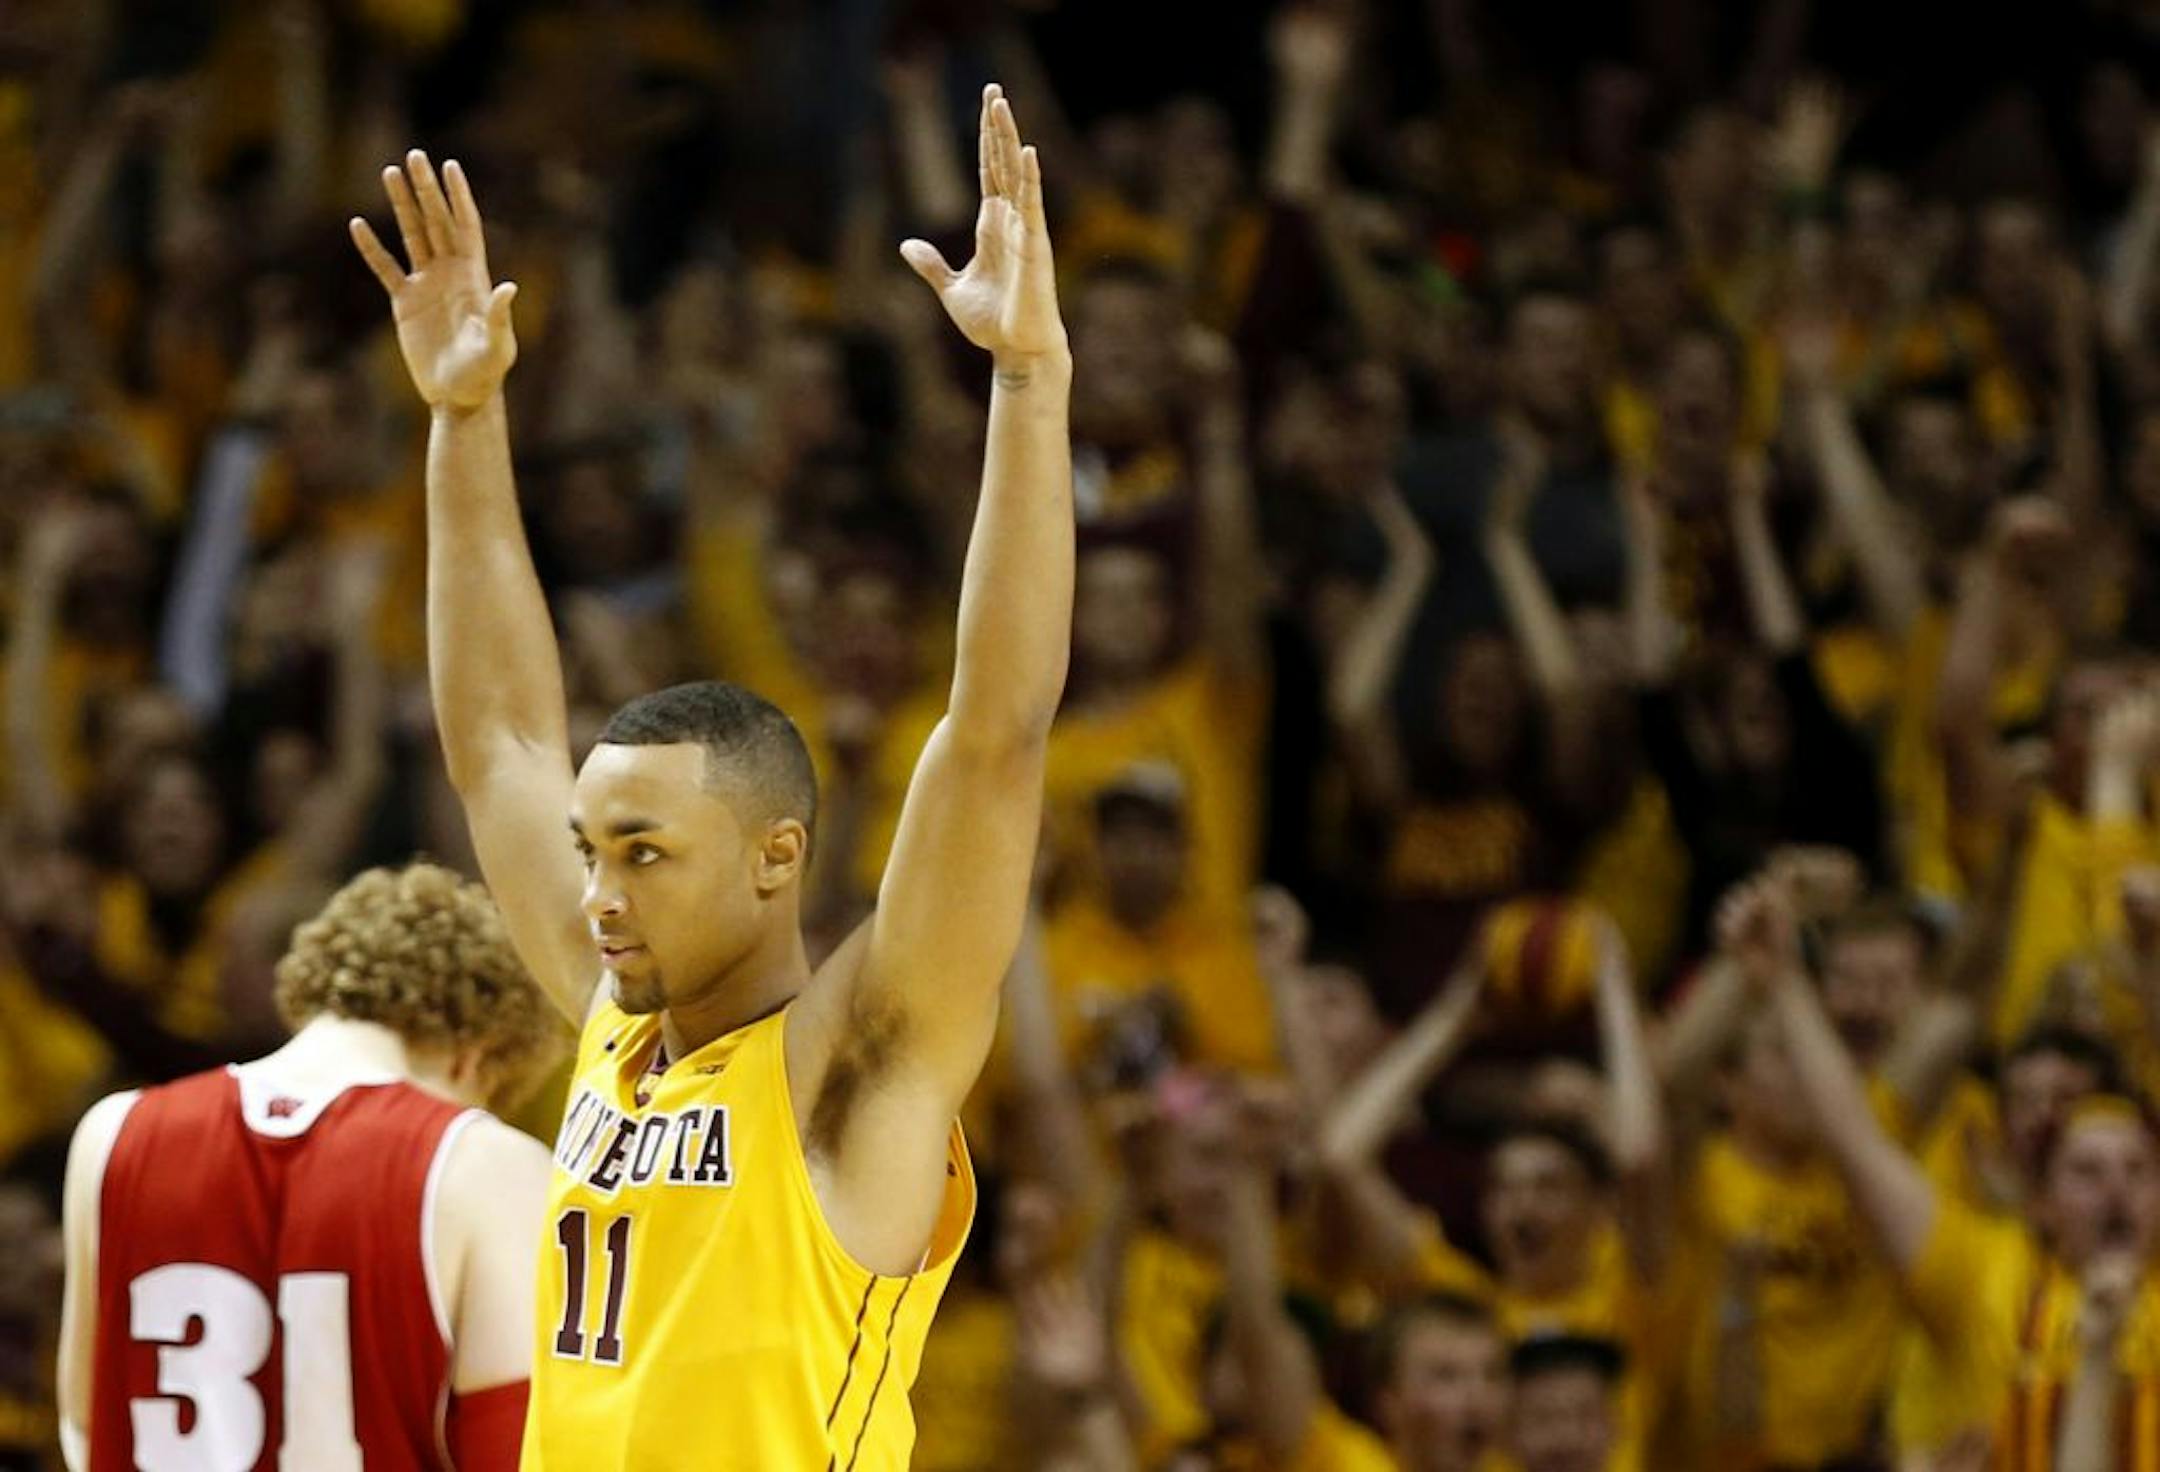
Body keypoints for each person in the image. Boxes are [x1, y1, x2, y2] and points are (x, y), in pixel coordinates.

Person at [348, 80, 1072, 1469]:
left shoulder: (856, 1069)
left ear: (775, 855)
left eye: (644, 852)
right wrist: (464, 416)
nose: (598, 893)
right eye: (594, 849)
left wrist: (1030, 384)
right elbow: (499, 742)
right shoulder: (616, 1029)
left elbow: (996, 734)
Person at [53, 862, 560, 1472]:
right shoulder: (485, 1162)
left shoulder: (113, 1132)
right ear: (477, 1057)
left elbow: (85, 1421)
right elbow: (515, 1452)